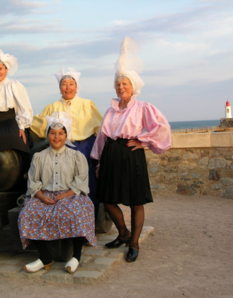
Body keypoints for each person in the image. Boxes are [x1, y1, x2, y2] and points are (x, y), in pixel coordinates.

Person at [91, 37, 171, 262]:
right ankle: (123, 233)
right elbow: (102, 137)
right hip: (111, 155)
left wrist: (144, 140)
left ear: (133, 86)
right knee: (108, 199)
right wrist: (98, 162)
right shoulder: (111, 110)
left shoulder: (143, 107)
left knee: (136, 201)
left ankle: (134, 243)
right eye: (118, 84)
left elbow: (162, 127)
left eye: (125, 84)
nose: (121, 87)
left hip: (131, 155)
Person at [18, 112, 96, 274]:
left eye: (61, 133)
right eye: (53, 133)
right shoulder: (39, 157)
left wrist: (64, 195)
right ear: (47, 135)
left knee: (76, 213)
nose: (56, 137)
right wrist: (41, 196)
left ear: (66, 135)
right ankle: (45, 258)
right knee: (28, 213)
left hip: (71, 195)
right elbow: (33, 181)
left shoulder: (76, 156)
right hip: (44, 195)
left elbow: (80, 181)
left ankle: (75, 257)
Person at [31, 69, 102, 212]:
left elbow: (100, 129)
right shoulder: (53, 107)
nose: (68, 87)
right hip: (61, 148)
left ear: (77, 87)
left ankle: (88, 220)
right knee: (62, 184)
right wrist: (22, 122)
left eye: (71, 84)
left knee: (87, 183)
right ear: (59, 87)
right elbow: (39, 124)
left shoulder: (87, 104)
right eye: (64, 84)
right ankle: (64, 219)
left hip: (85, 147)